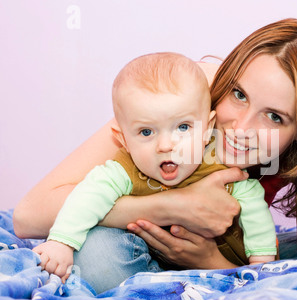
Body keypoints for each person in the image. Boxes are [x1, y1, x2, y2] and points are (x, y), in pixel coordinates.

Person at [14, 18, 297, 293]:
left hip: (230, 250)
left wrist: (211, 262)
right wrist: (173, 205)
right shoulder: (183, 96)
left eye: (274, 116)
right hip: (142, 239)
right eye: (239, 94)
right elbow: (28, 216)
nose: (240, 127)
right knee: (99, 255)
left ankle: (193, 279)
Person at [31, 52, 277, 282]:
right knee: (96, 252)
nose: (166, 145)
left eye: (183, 128)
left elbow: (255, 211)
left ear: (207, 128)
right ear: (123, 140)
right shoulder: (123, 171)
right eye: (146, 132)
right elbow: (86, 198)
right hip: (152, 257)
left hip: (222, 260)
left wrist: (261, 263)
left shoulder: (219, 167)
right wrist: (61, 242)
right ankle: (154, 281)